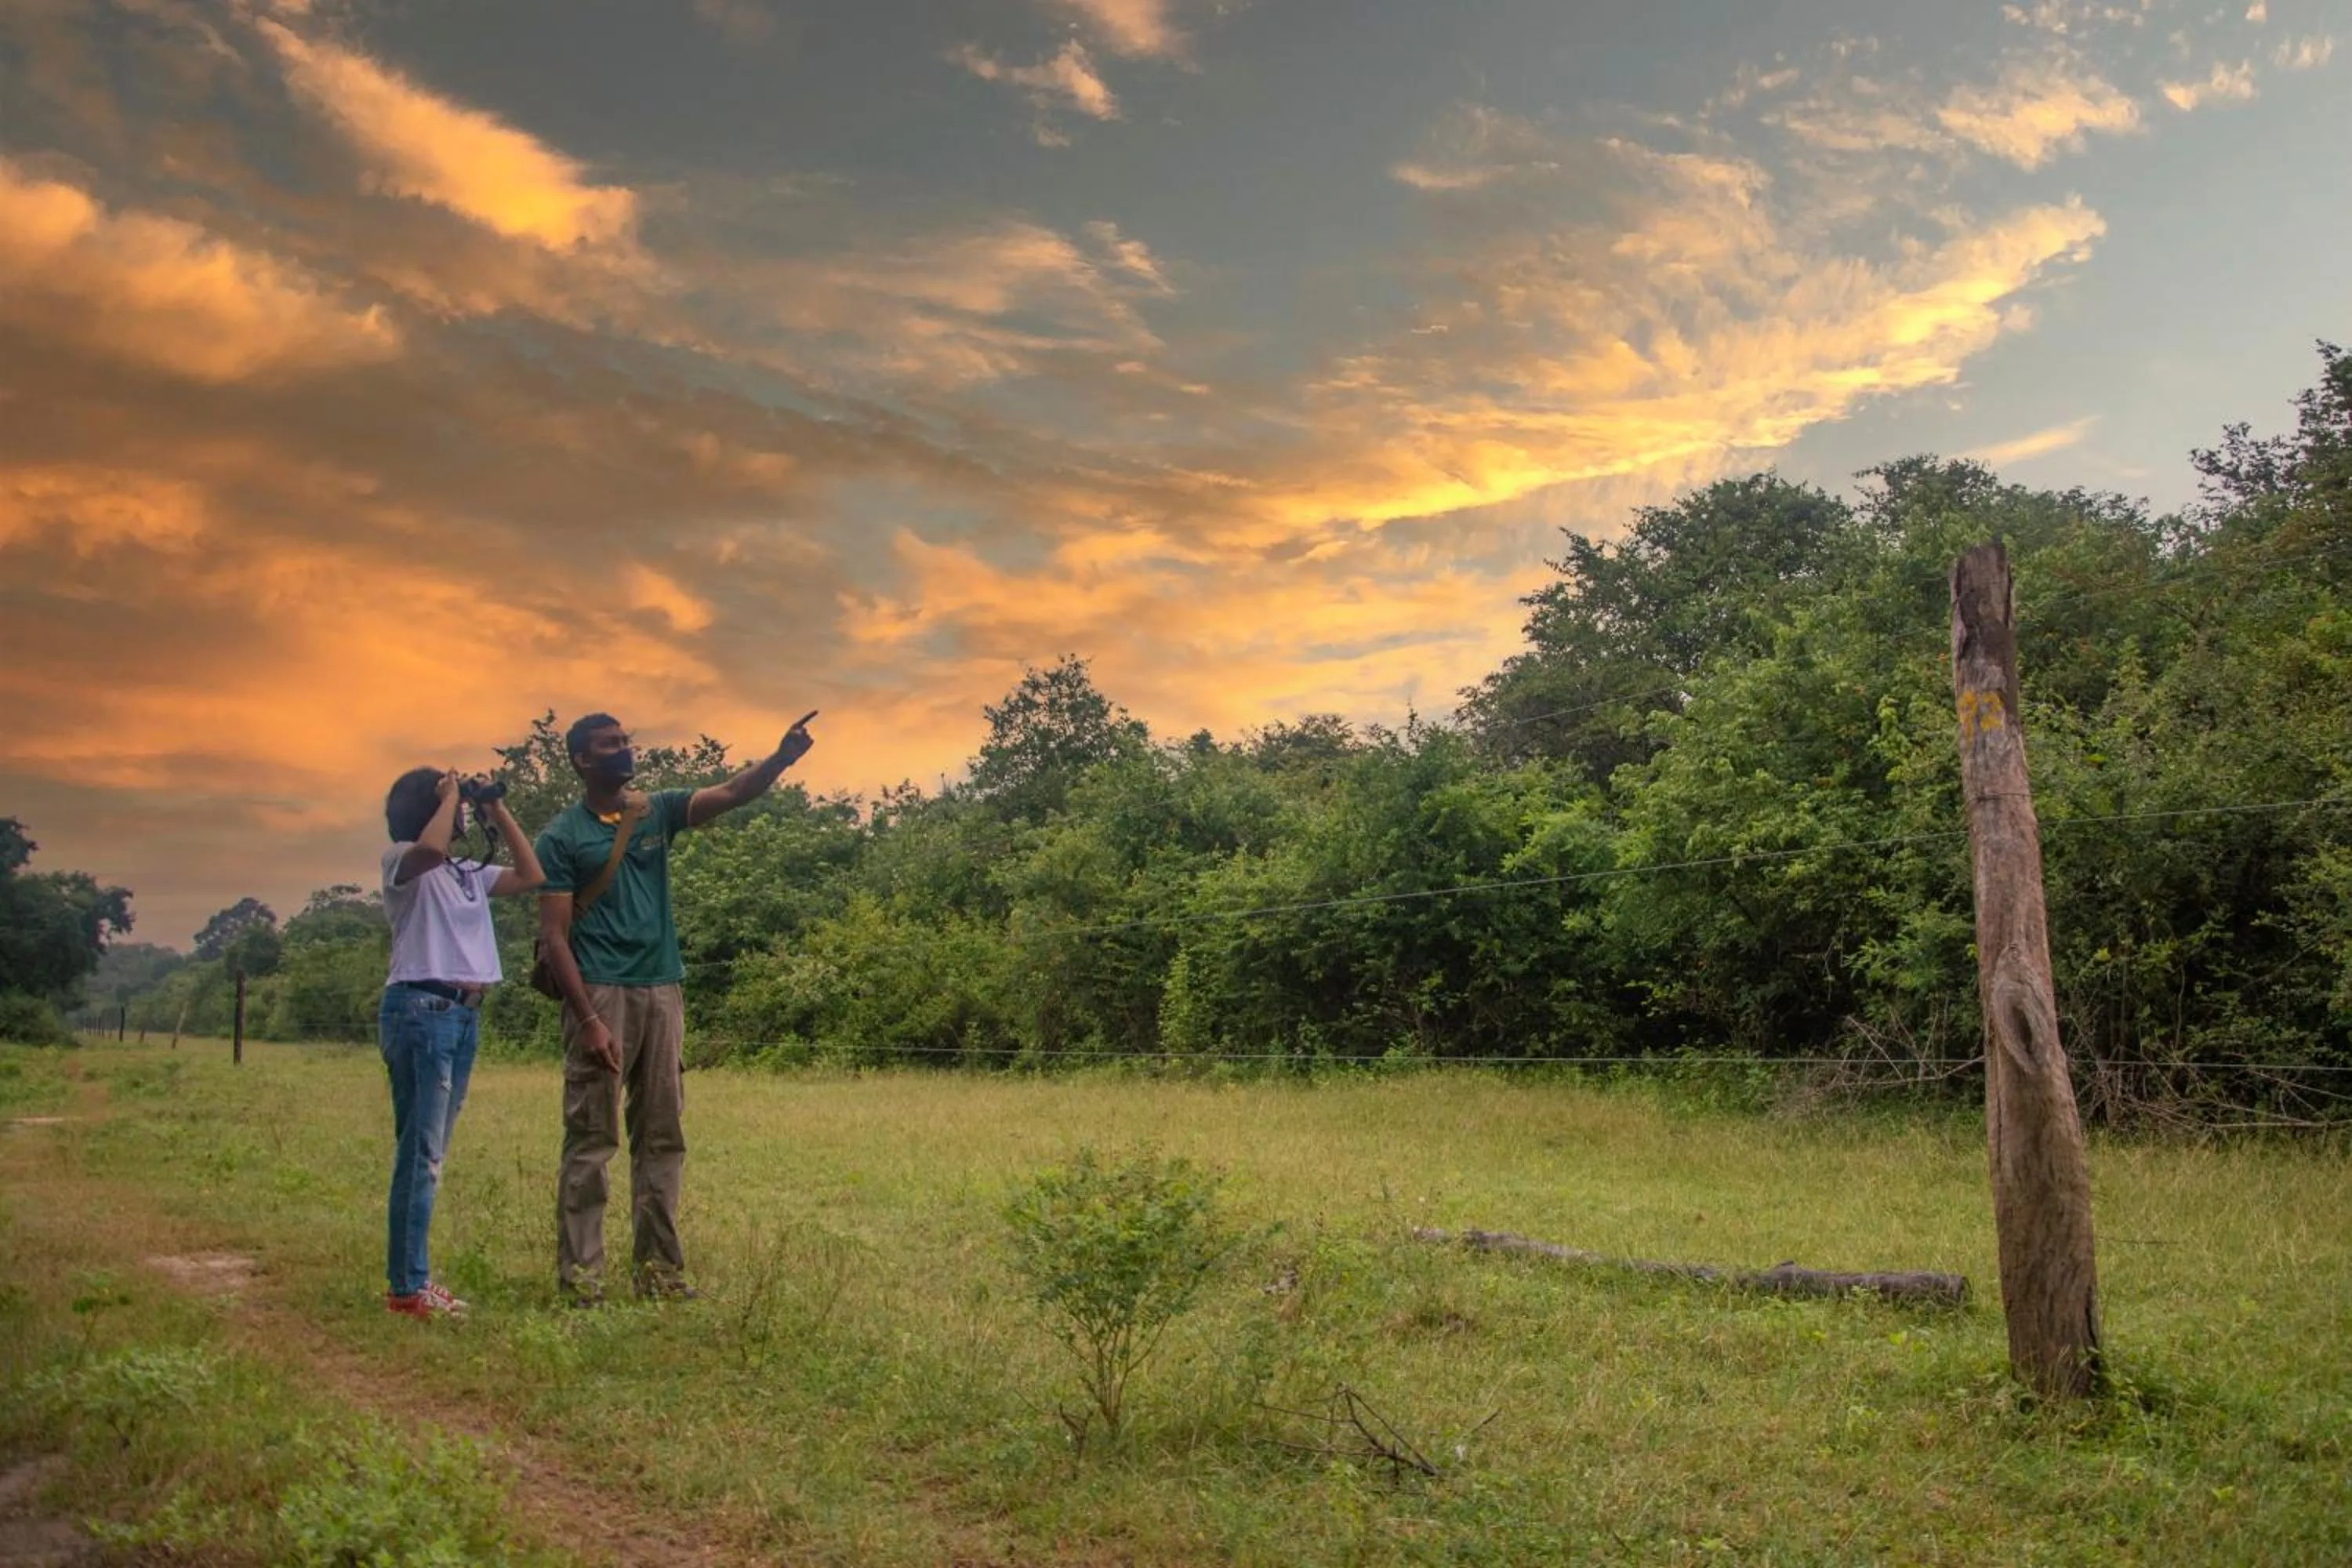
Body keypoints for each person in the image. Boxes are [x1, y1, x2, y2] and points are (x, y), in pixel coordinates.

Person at [535, 710, 816, 1305]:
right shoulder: (561, 837)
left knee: (663, 1137)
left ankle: (659, 1272)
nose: (623, 750)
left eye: (624, 741)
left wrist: (783, 757)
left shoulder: (655, 810)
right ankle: (582, 1280)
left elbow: (735, 792)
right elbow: (555, 937)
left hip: (664, 989)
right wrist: (586, 1020)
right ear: (583, 761)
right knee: (592, 1139)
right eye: (609, 745)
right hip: (601, 993)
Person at [379, 768, 544, 1319]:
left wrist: (496, 809)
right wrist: (448, 796)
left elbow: (530, 874)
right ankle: (407, 1287)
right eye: (449, 805)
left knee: (432, 1152)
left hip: (463, 1015)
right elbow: (427, 848)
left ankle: (412, 1281)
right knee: (420, 1154)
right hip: (421, 1009)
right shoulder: (402, 861)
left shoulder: (466, 873)